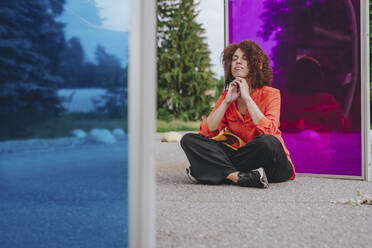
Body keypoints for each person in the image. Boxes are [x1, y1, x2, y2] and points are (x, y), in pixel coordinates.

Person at [180, 40, 295, 188]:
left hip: (271, 162)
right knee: (189, 140)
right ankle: (237, 177)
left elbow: (270, 130)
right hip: (242, 160)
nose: (237, 62)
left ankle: (211, 171)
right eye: (234, 59)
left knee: (268, 142)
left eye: (244, 58)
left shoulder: (271, 94)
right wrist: (226, 102)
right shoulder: (227, 95)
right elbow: (206, 132)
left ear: (256, 64)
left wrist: (247, 98)